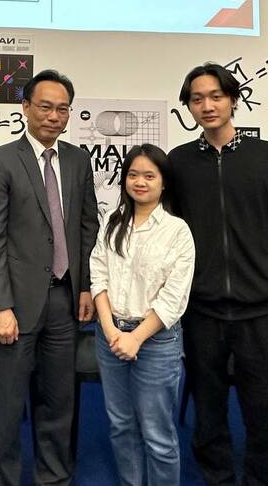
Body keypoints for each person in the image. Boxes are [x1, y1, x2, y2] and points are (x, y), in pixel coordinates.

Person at [167, 62, 268, 486]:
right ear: (188, 106)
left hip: (263, 308)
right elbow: (175, 228)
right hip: (203, 310)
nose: (207, 106)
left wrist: (263, 270)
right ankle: (217, 478)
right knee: (208, 411)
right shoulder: (179, 162)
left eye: (216, 96)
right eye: (197, 99)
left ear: (233, 100)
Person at [0, 69, 99, 486]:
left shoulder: (78, 160)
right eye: (45, 106)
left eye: (62, 108)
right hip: (15, 304)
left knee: (59, 402)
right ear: (25, 108)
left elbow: (87, 227)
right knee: (8, 408)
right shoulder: (1, 160)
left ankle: (54, 478)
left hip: (65, 300)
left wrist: (86, 286)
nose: (53, 116)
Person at [91, 144, 195, 486]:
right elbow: (98, 276)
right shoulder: (112, 221)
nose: (140, 182)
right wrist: (111, 331)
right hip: (110, 337)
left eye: (149, 176)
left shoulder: (177, 231)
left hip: (156, 342)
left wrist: (135, 338)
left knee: (157, 433)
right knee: (121, 424)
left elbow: (173, 298)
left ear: (163, 183)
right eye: (133, 174)